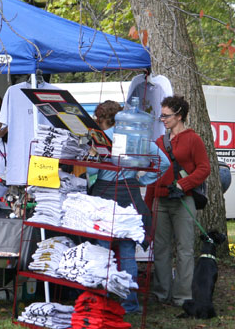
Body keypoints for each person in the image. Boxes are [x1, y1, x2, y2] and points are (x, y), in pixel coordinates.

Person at [90, 100, 169, 314]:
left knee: (102, 250)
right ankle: (130, 302)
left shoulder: (102, 138)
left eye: (100, 120)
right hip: (130, 195)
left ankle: (101, 300)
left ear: (104, 119)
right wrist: (142, 180)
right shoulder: (138, 137)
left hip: (104, 194)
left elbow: (89, 172)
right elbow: (164, 162)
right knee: (126, 251)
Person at [145, 95, 211, 307]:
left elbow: (204, 168)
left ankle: (183, 296)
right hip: (160, 201)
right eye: (161, 116)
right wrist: (147, 206)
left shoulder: (193, 139)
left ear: (179, 116)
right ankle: (161, 293)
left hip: (184, 200)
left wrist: (183, 185)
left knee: (185, 249)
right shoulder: (159, 142)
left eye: (166, 116)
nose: (162, 119)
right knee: (161, 248)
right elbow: (153, 174)